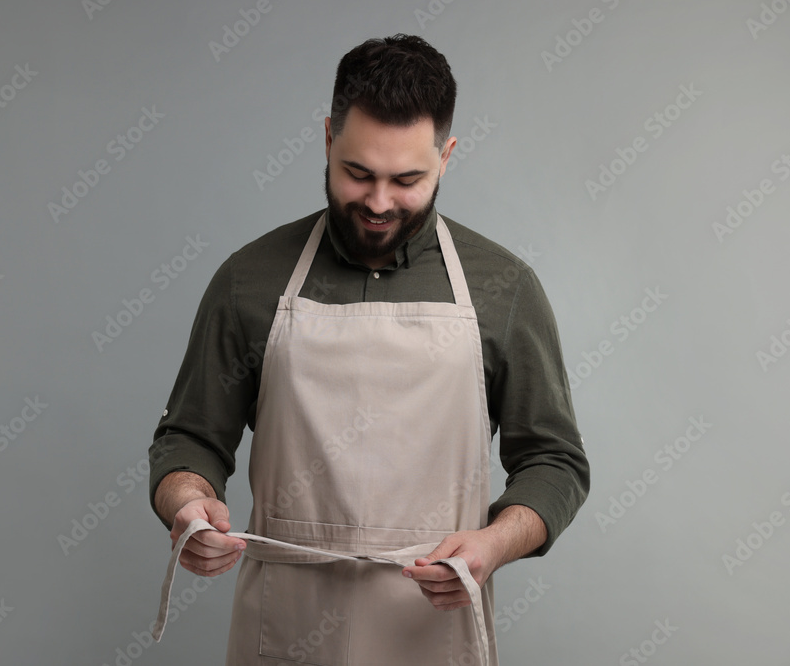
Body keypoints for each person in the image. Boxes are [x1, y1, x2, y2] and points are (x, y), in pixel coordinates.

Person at [149, 33, 590, 666]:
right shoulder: (249, 280)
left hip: (435, 631)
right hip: (284, 628)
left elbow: (555, 460)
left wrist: (495, 543)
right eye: (357, 173)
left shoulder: (505, 288)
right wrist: (188, 504)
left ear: (447, 156)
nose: (379, 203)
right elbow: (188, 437)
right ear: (328, 138)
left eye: (407, 179)